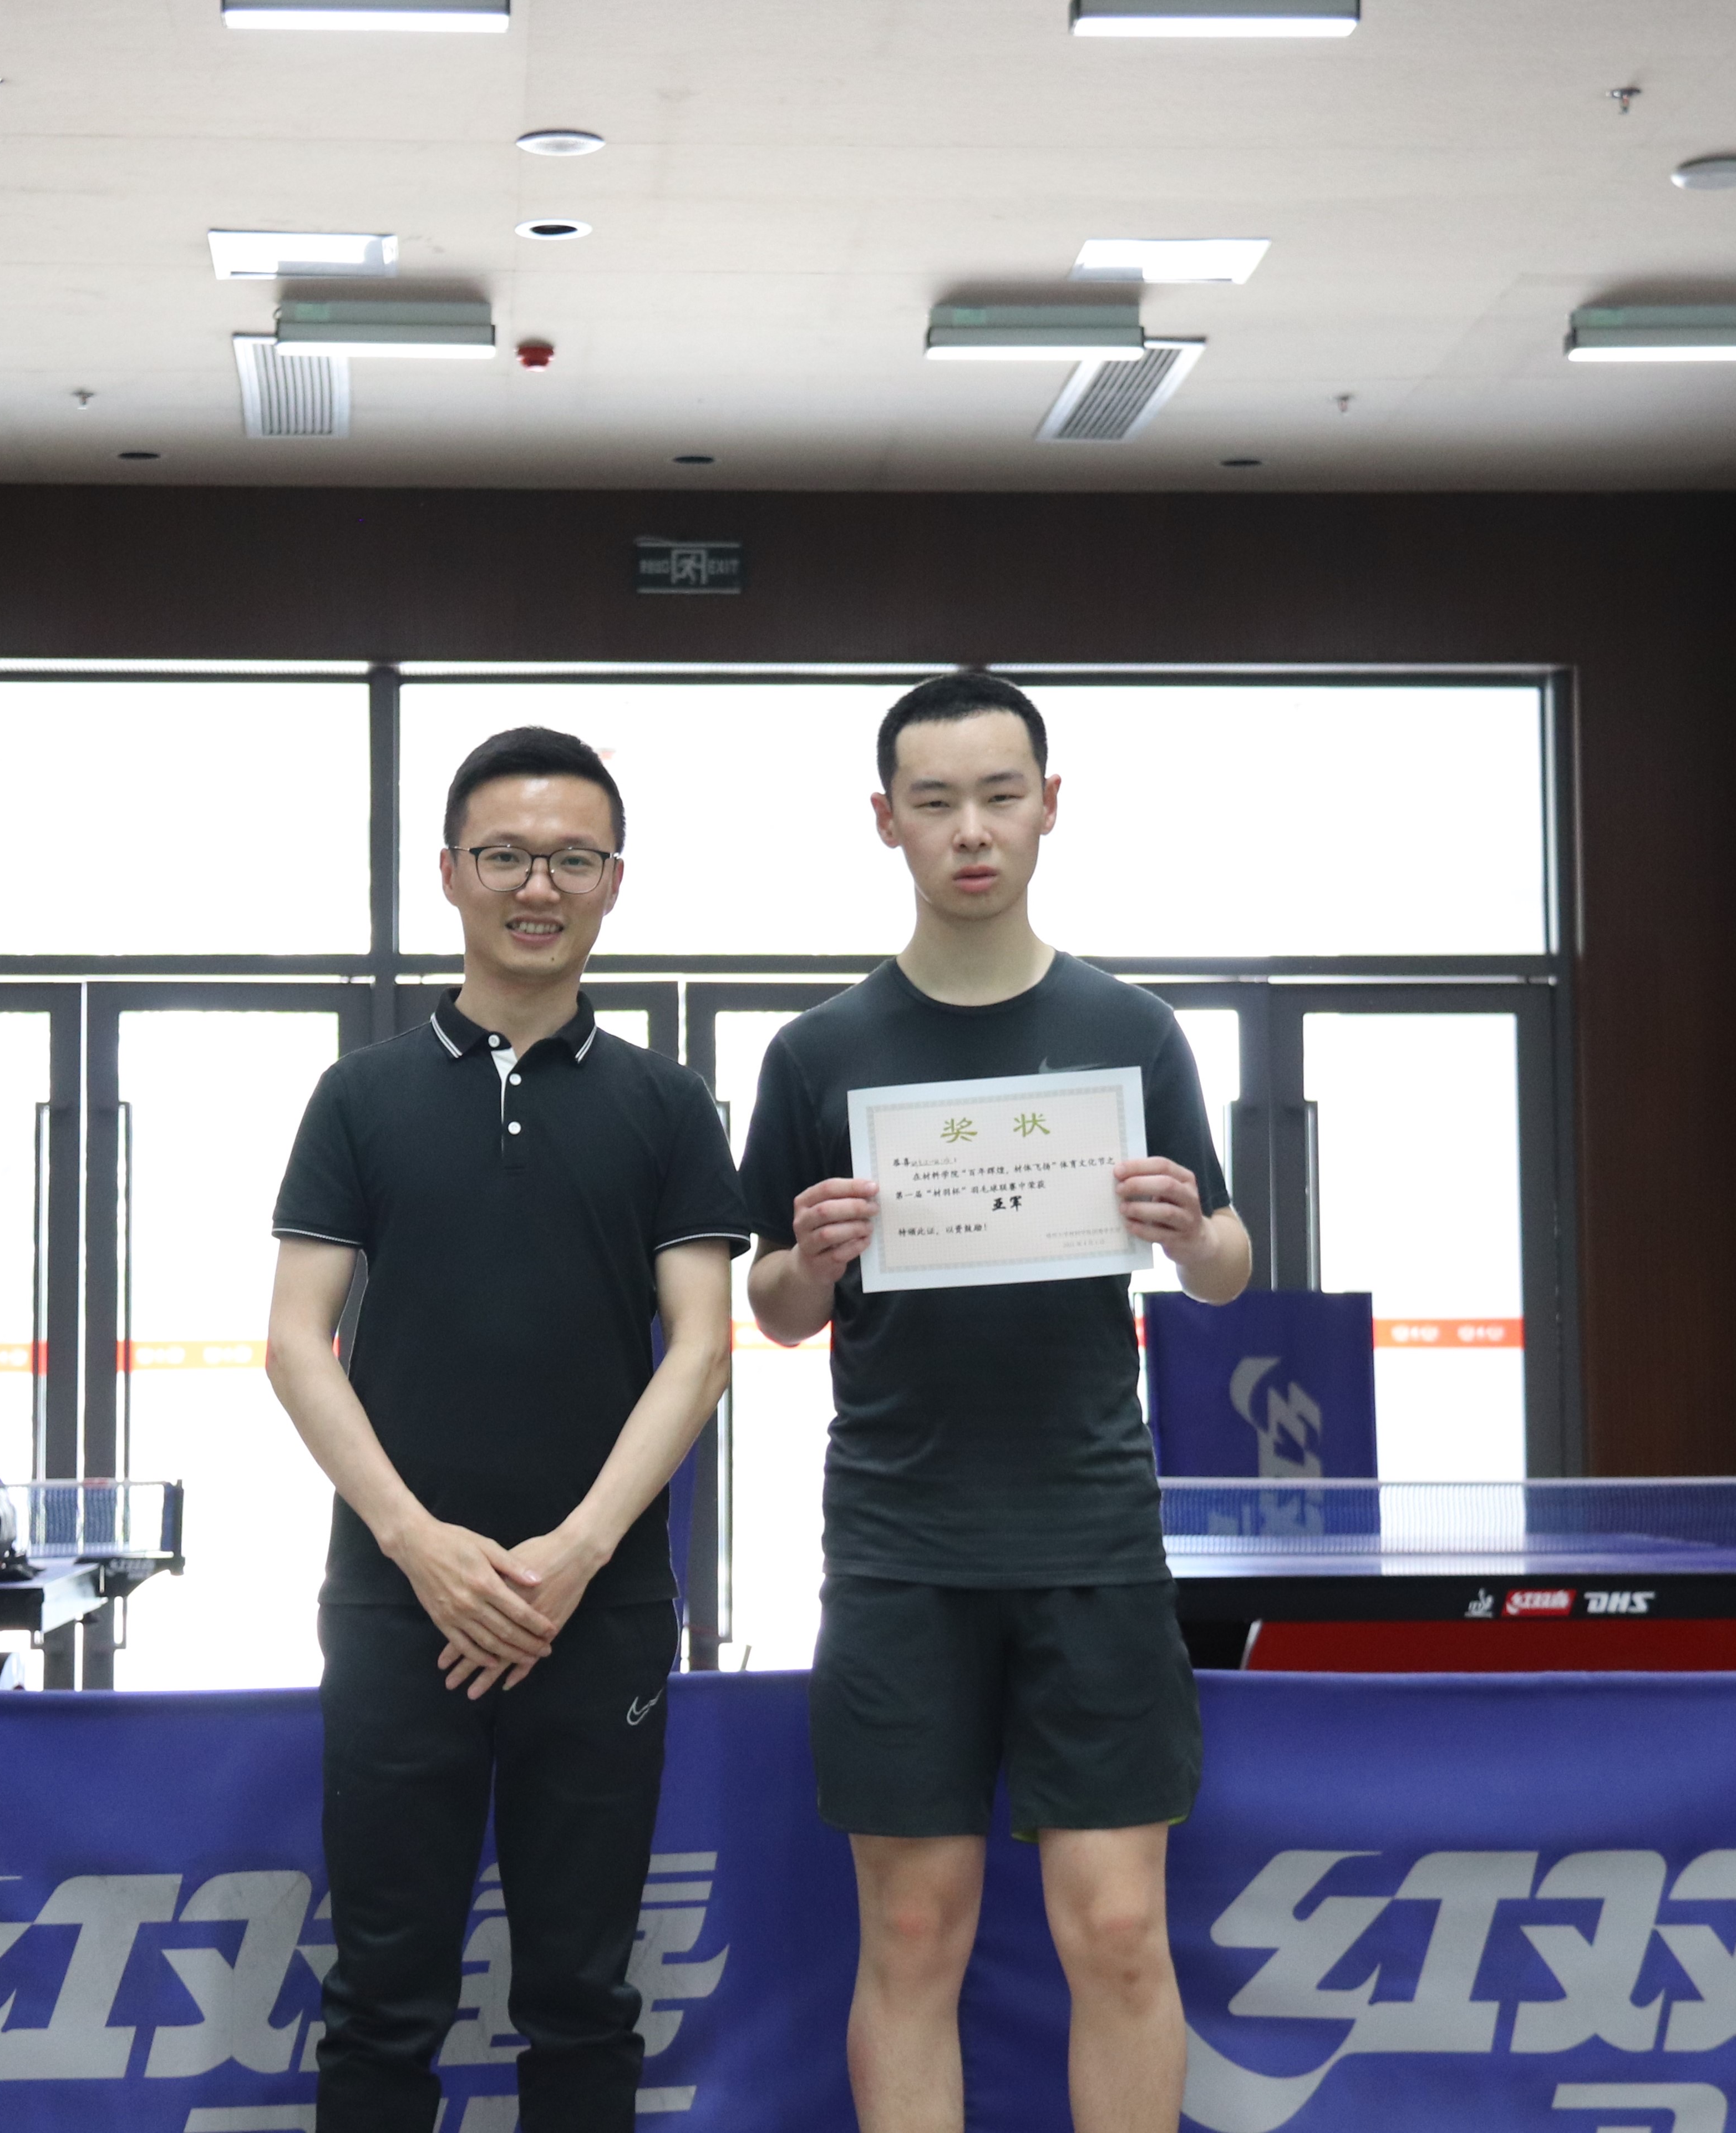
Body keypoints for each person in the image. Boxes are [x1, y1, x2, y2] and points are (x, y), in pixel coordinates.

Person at [738, 671, 1252, 2133]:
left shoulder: (1131, 1028)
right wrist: (810, 1258)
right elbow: (770, 1305)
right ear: (885, 819)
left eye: (999, 795)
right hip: (899, 1539)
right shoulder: (819, 1050)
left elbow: (1226, 1266)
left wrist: (1187, 1228)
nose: (971, 829)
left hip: (1091, 1529)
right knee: (911, 1932)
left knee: (1118, 1928)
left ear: (1048, 806)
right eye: (937, 800)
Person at [265, 726, 750, 2133]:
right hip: (393, 1603)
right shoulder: (358, 1097)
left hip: (598, 1611)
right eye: (506, 856)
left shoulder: (667, 1106)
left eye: (572, 860)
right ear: (449, 873)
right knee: (381, 1997)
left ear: (613, 883)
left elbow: (702, 1349)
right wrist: (418, 1546)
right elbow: (295, 1342)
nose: (538, 886)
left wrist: (574, 1556)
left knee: (583, 2000)